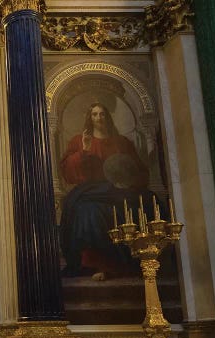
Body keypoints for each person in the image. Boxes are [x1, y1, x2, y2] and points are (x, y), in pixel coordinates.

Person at [59, 102, 152, 281]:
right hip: (91, 191)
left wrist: (127, 180)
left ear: (107, 117)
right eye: (94, 114)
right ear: (90, 118)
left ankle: (130, 261)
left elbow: (137, 169)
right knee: (88, 211)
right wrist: (84, 151)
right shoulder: (79, 141)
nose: (98, 118)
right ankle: (97, 264)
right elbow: (68, 171)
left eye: (102, 114)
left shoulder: (122, 142)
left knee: (145, 202)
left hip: (120, 190)